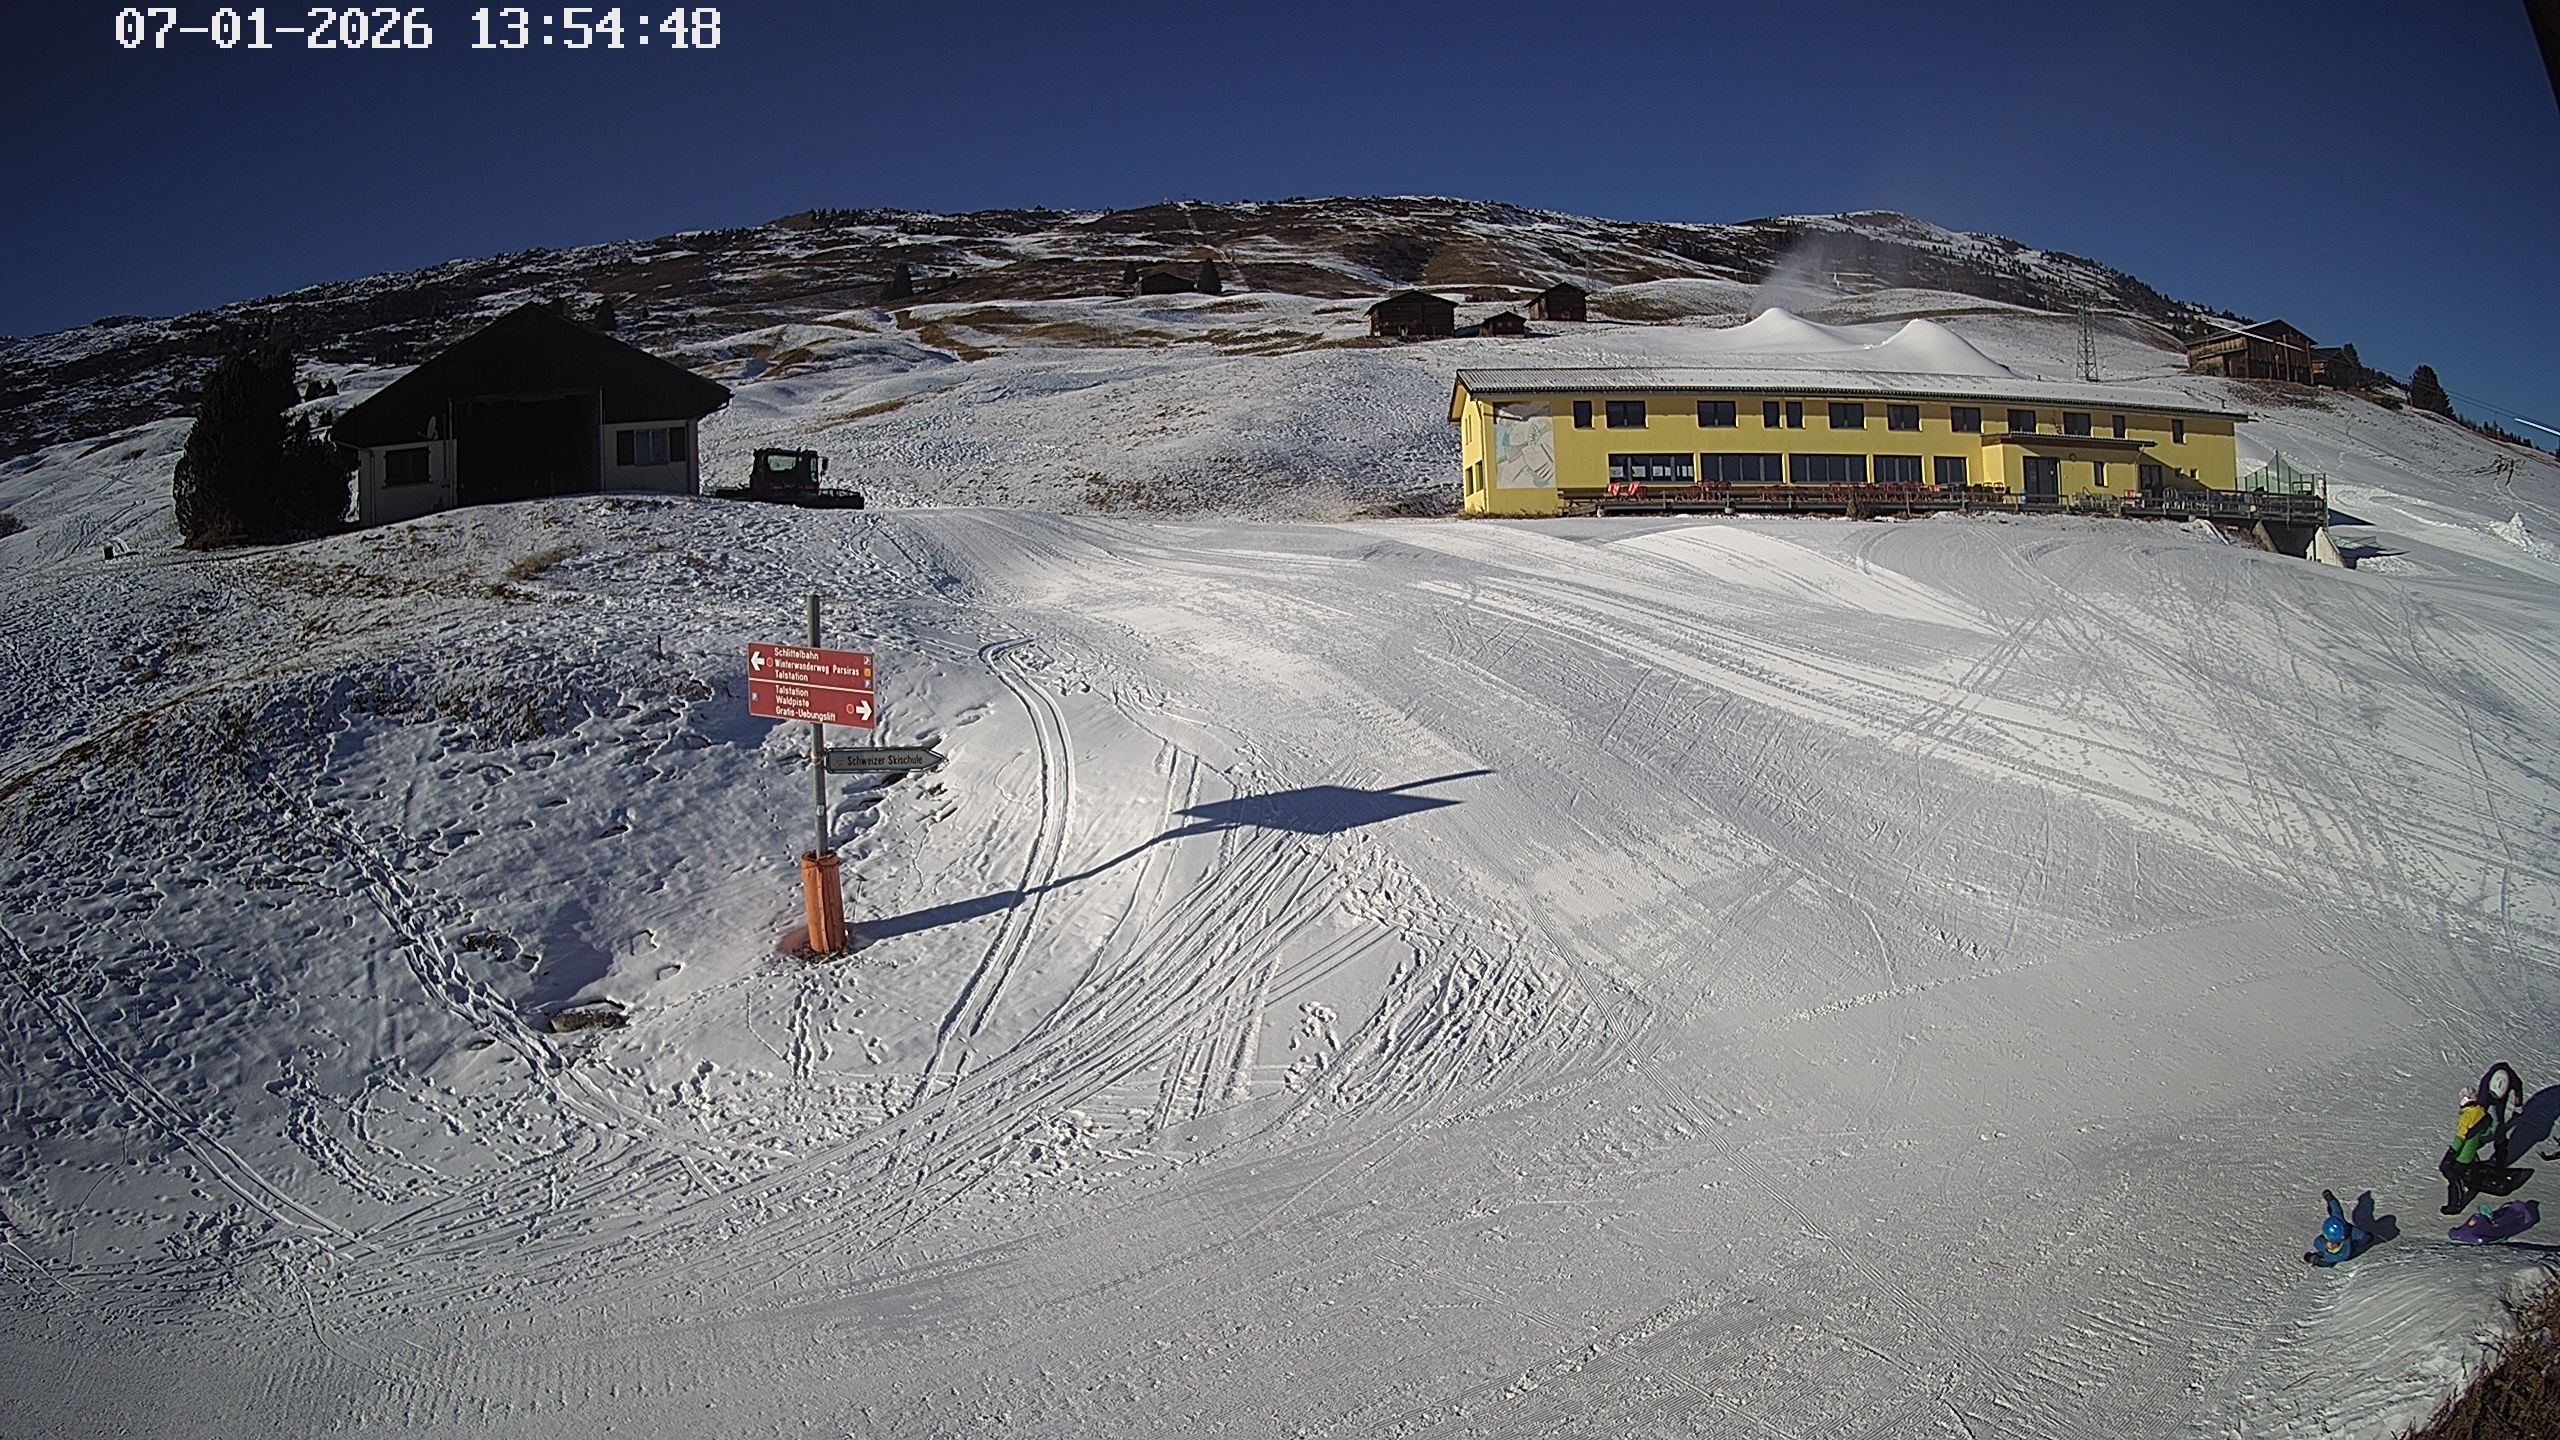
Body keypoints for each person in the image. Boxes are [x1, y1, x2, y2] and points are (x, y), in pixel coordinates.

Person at [2440, 1085, 2504, 1214]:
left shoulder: (2467, 1116)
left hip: (2464, 1154)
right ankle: (2474, 1178)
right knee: (2466, 1167)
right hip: (2473, 1149)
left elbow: (2461, 1137)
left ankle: (2455, 1204)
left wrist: (2451, 1153)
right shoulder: (2481, 1112)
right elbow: (2488, 1131)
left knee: (2452, 1174)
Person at [2304, 1189, 2368, 1267]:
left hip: (2349, 1249)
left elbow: (2326, 1260)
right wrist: (2330, 1199)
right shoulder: (2340, 1223)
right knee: (2364, 1237)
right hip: (2348, 1232)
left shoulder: (2339, 1254)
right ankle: (2315, 1257)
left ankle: (2315, 1258)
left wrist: (2317, 1260)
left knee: (2364, 1238)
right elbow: (2336, 1210)